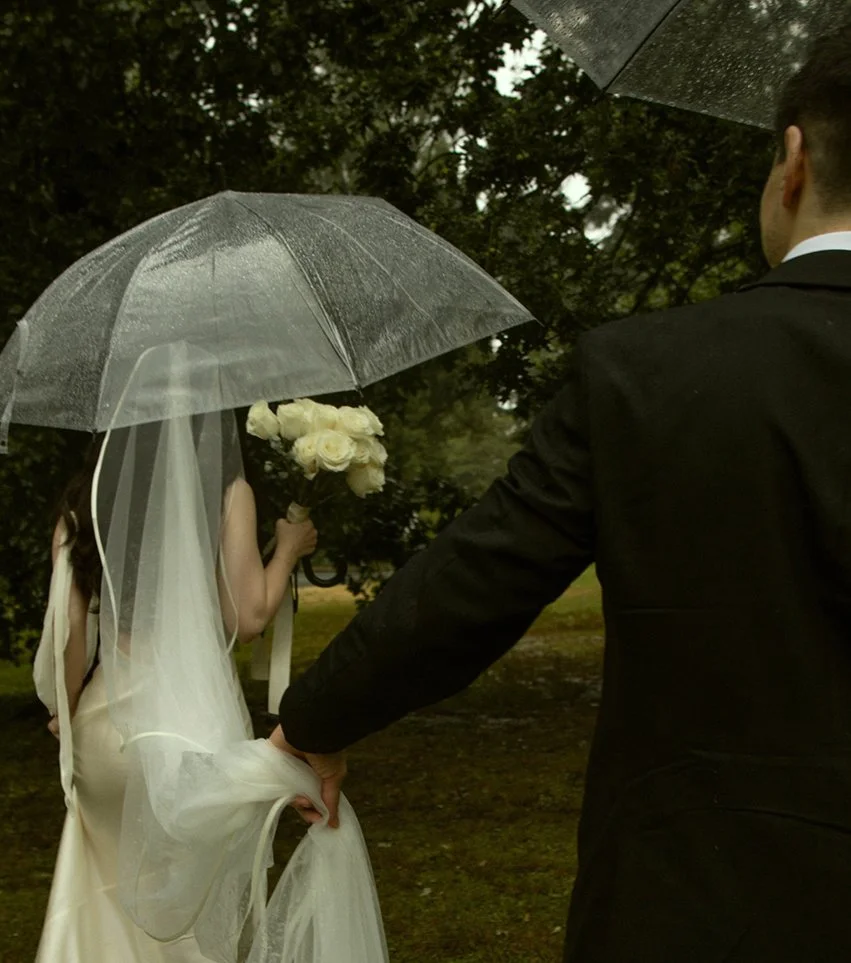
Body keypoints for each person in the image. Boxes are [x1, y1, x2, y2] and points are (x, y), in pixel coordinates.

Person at [270, 25, 851, 962]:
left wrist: (312, 721)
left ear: (790, 161)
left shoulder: (645, 372)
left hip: (695, 899)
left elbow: (483, 575)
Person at [33, 430, 317, 963]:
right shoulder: (226, 491)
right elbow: (249, 617)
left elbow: (69, 632)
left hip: (105, 730)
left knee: (106, 902)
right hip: (193, 731)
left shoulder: (84, 502)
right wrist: (287, 550)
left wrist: (66, 713)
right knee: (190, 916)